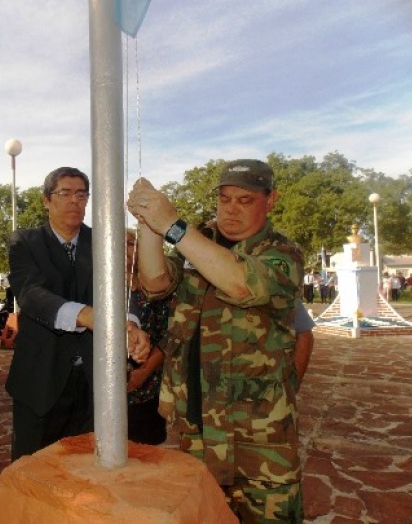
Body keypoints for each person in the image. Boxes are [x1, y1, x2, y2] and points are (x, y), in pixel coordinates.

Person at [128, 159, 305, 523]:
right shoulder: (200, 243)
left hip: (259, 436)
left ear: (271, 200)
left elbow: (241, 283)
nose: (231, 208)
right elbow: (156, 283)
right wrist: (149, 225)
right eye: (225, 199)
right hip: (199, 429)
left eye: (245, 200)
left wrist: (173, 225)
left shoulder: (282, 253)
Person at [6, 167, 150, 461]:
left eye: (82, 195)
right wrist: (86, 315)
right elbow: (30, 294)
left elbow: (120, 290)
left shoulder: (103, 243)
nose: (74, 201)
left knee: (89, 465)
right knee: (34, 469)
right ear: (46, 200)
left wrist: (131, 326)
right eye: (65, 193)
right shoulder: (25, 242)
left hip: (95, 382)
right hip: (40, 382)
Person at [125, 229, 168, 445]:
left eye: (130, 244)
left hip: (148, 386)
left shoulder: (159, 288)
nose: (125, 249)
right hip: (106, 389)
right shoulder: (99, 288)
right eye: (118, 244)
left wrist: (142, 373)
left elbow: (171, 334)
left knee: (147, 450)